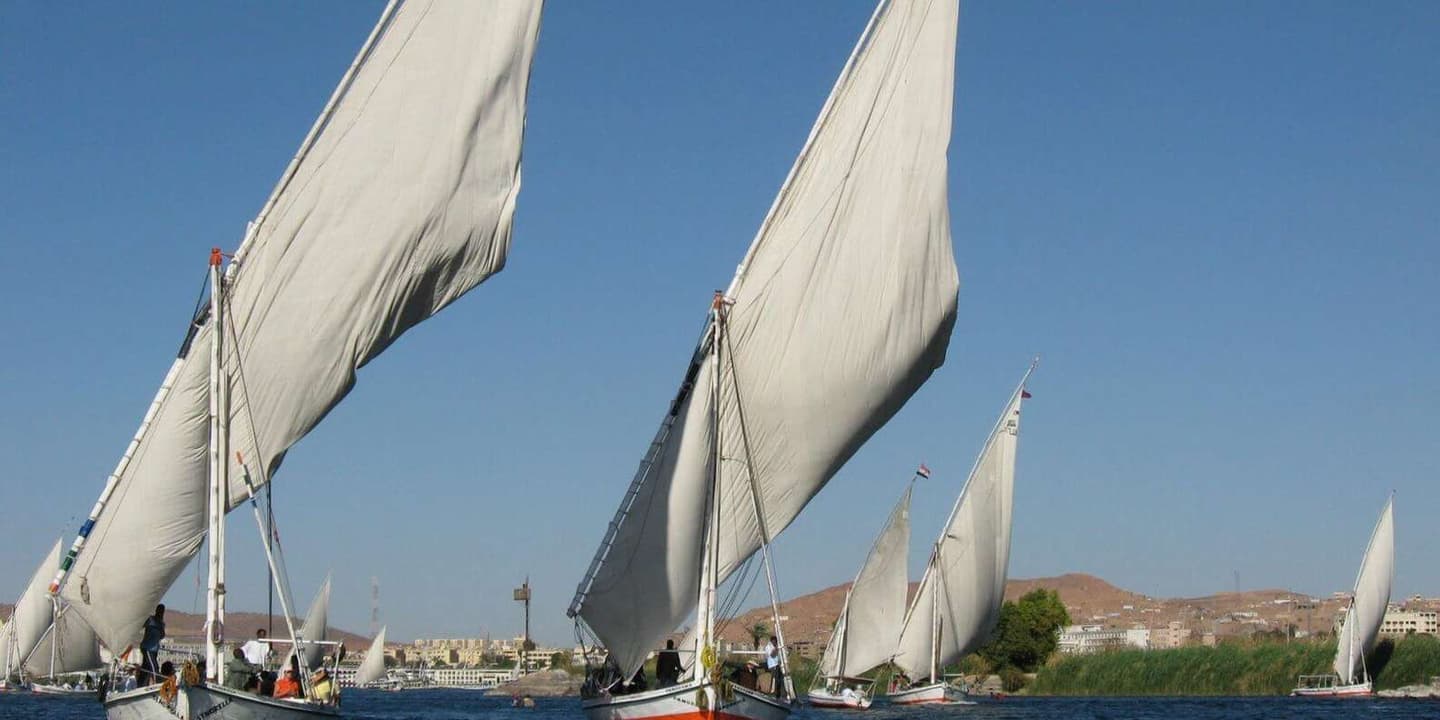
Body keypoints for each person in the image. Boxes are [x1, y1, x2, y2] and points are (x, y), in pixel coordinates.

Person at [140, 604, 166, 684]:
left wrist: (160, 630)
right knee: (154, 666)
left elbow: (162, 635)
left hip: (154, 648)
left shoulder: (161, 623)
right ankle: (156, 683)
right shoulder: (150, 619)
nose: (161, 613)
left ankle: (141, 684)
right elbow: (141, 625)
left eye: (162, 611)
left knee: (146, 667)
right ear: (156, 610)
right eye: (159, 611)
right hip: (147, 647)